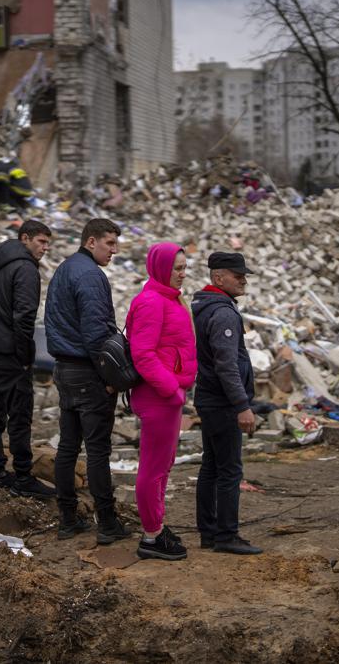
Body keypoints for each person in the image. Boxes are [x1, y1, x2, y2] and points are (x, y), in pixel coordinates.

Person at [44, 217, 129, 544]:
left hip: (64, 369)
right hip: (87, 370)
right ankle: (107, 523)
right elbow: (97, 335)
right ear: (90, 241)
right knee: (97, 450)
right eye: (109, 243)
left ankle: (67, 519)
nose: (115, 250)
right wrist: (111, 379)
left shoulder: (65, 269)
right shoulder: (91, 276)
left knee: (68, 446)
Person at [126, 243, 198, 561]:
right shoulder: (152, 302)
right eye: (177, 268)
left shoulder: (168, 298)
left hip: (167, 397)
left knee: (163, 467)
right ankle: (151, 537)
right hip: (158, 397)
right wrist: (171, 389)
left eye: (184, 268)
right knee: (153, 469)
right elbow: (142, 353)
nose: (182, 274)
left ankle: (155, 526)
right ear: (161, 268)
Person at [0, 220, 55, 498]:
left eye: (48, 243)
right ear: (25, 238)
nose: (45, 248)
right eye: (41, 242)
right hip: (10, 354)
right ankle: (23, 477)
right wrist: (25, 356)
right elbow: (24, 317)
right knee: (19, 417)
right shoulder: (25, 269)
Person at [191, 252, 263, 555]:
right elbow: (226, 365)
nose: (243, 279)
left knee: (211, 466)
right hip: (221, 402)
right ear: (219, 278)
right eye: (237, 275)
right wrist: (242, 405)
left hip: (209, 398)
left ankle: (209, 532)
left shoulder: (203, 306)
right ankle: (226, 535)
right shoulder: (222, 313)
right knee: (230, 470)